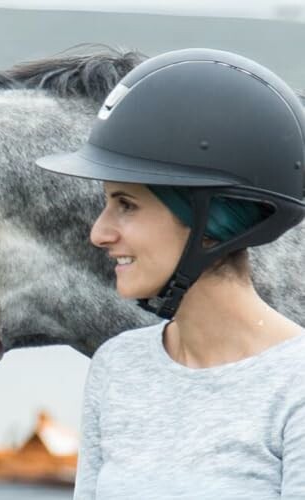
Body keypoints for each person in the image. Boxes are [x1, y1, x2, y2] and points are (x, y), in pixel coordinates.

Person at [35, 48, 305, 499]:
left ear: (210, 221)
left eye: (127, 205)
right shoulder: (118, 367)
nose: (99, 233)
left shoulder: (294, 385)